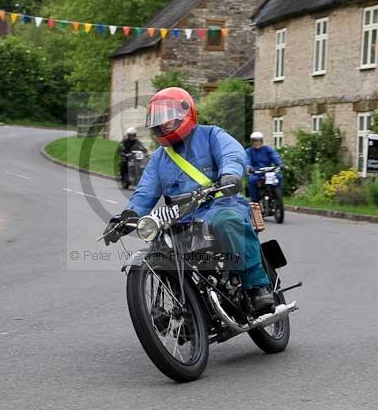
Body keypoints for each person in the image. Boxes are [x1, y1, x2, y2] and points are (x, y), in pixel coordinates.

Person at [103, 88, 275, 315]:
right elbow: (144, 192)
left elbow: (231, 153)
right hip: (182, 217)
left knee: (227, 222)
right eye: (158, 119)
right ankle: (185, 305)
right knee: (160, 243)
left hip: (220, 204)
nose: (163, 123)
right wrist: (126, 218)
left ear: (186, 113)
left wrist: (230, 174)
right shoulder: (158, 158)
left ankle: (257, 286)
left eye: (168, 117)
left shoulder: (211, 135)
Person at [245, 131, 283, 203]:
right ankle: (255, 200)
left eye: (258, 141)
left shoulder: (267, 149)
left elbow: (274, 156)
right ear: (251, 142)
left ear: (261, 141)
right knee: (252, 180)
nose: (256, 143)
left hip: (268, 171)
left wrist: (279, 164)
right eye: (254, 141)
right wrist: (249, 167)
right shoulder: (249, 151)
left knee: (279, 177)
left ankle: (278, 196)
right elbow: (247, 160)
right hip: (256, 172)